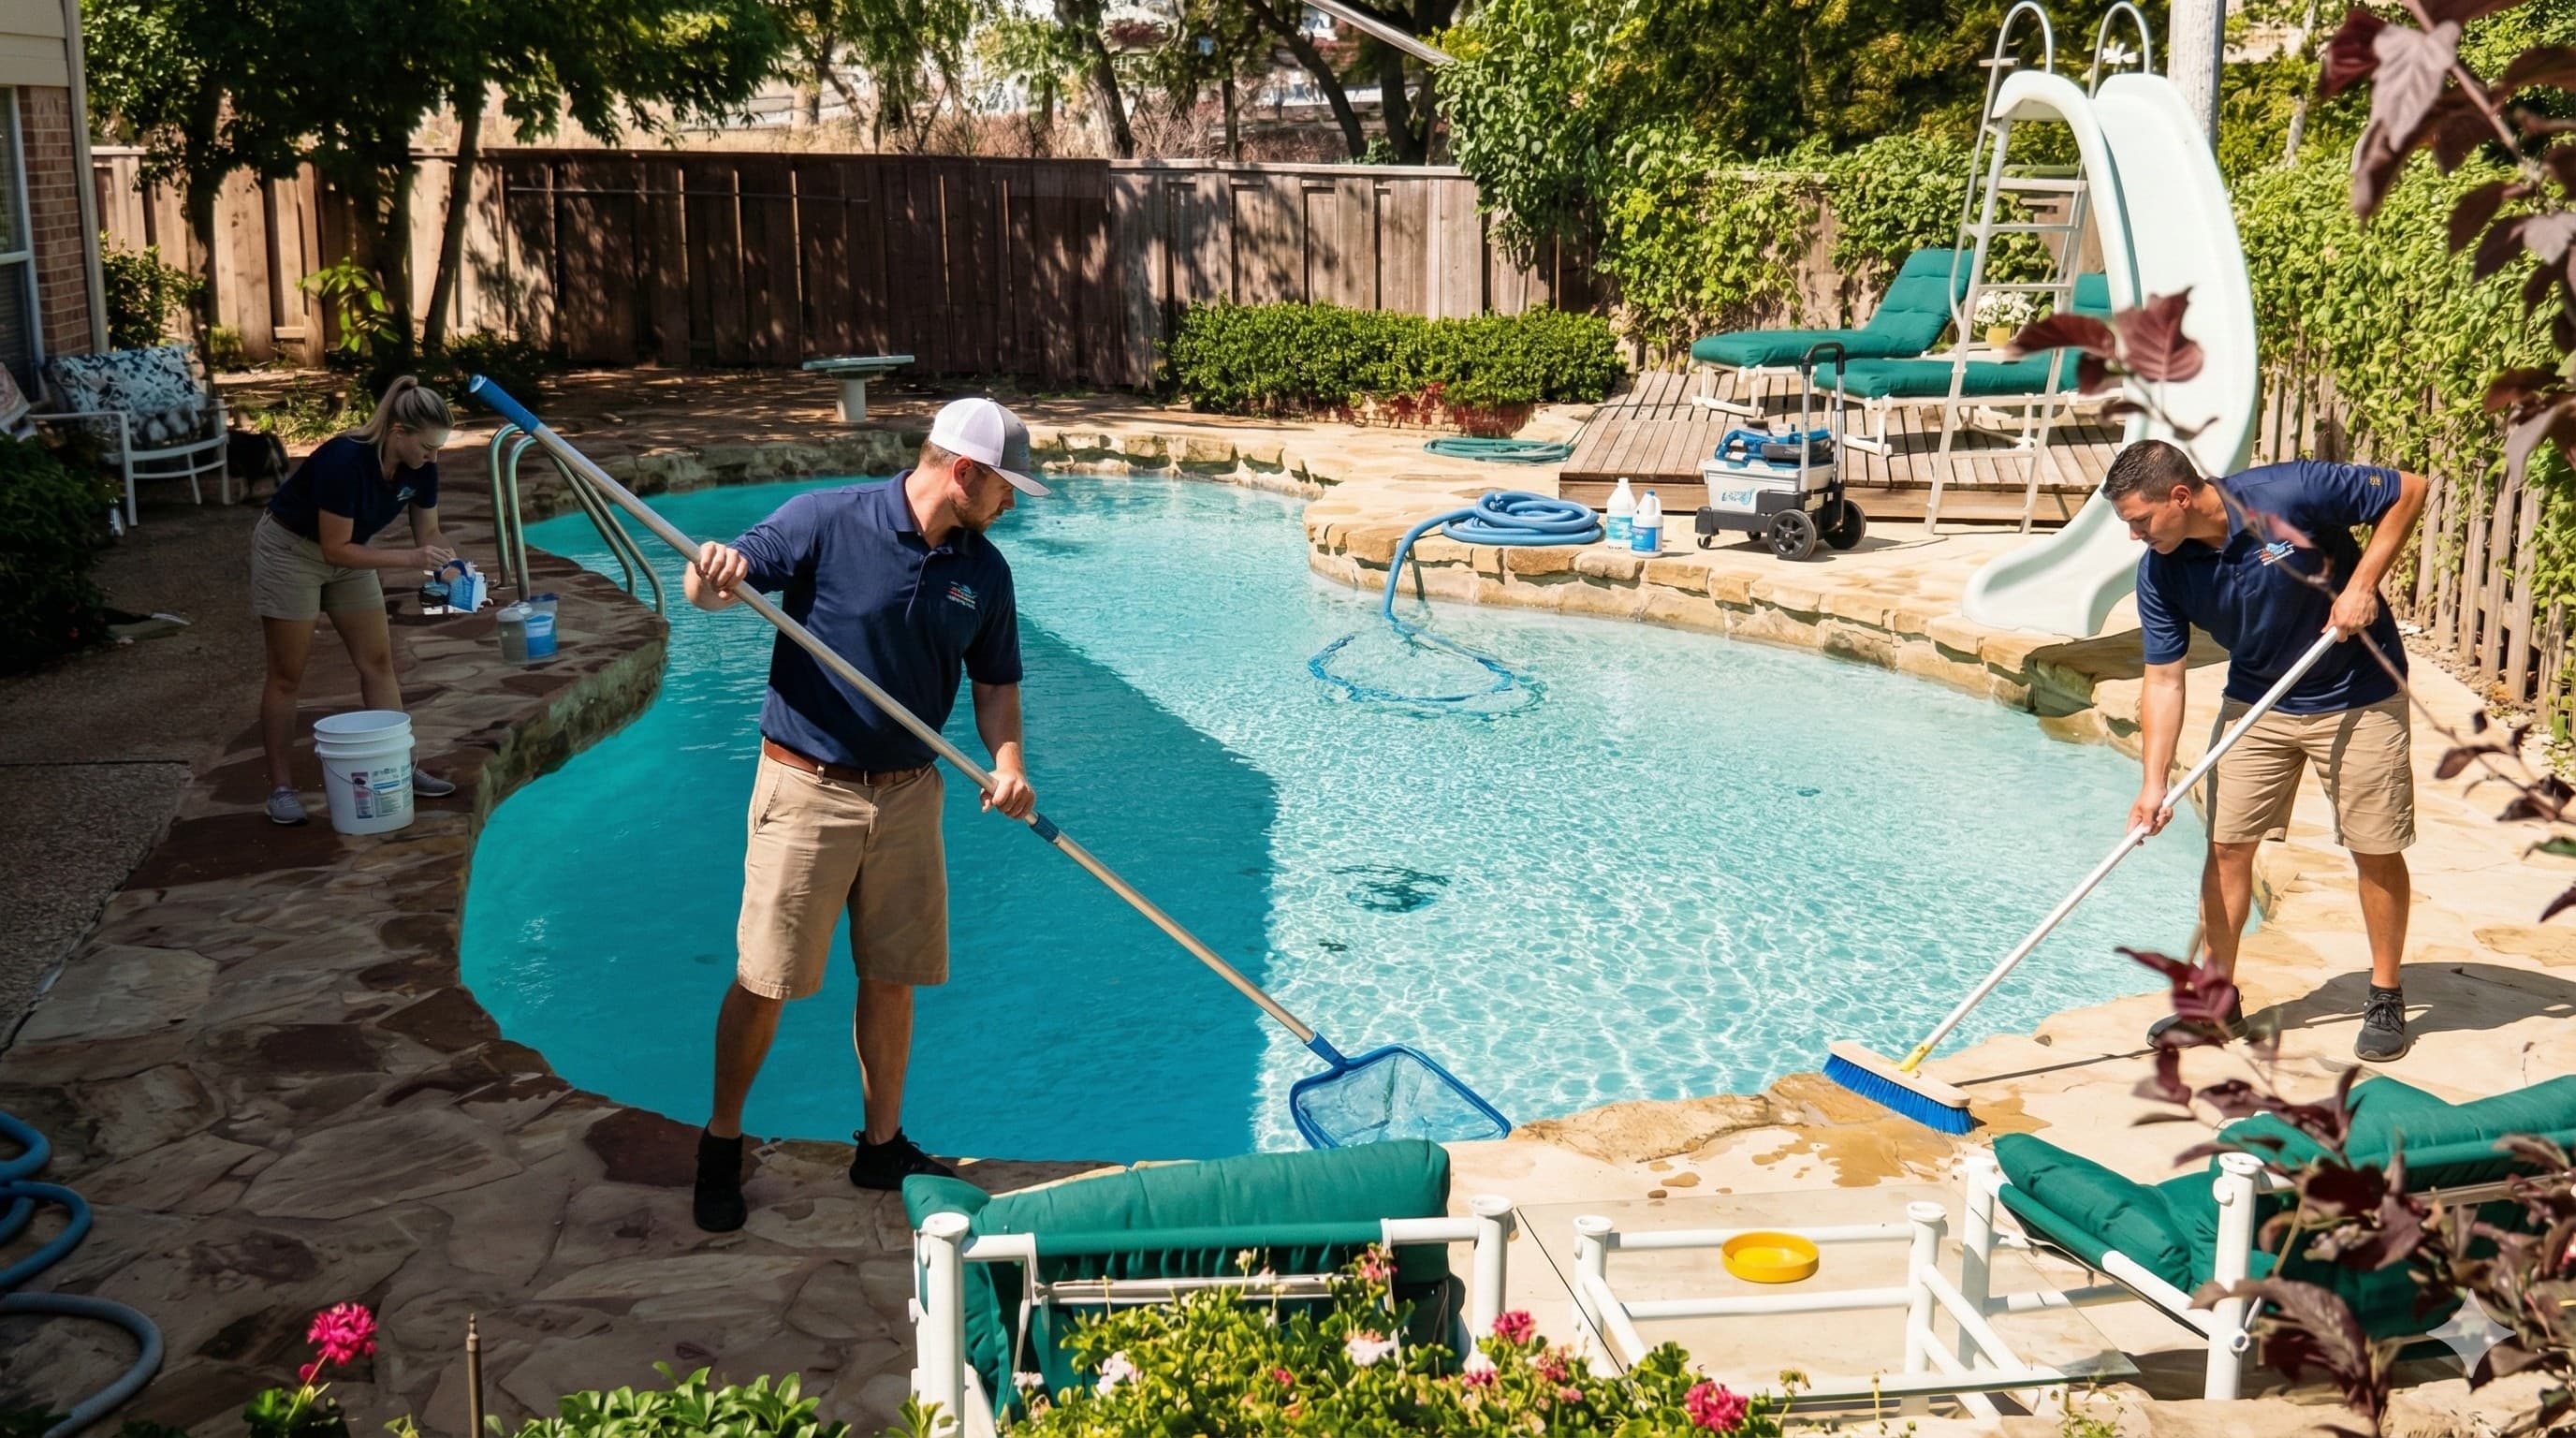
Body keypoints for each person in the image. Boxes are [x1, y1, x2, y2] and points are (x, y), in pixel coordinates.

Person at [684, 396, 1047, 1232]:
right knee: (767, 979)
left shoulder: (983, 571)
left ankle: (880, 1145)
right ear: (965, 473)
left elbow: (995, 683)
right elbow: (714, 587)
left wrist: (1009, 764)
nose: (1011, 503)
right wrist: (710, 573)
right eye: (1005, 487)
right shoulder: (824, 520)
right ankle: (721, 1142)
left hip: (911, 794)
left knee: (893, 976)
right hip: (806, 789)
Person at [2106, 439, 2431, 1062]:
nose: (2134, 536)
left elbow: (2408, 490)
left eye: (2140, 521)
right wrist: (2153, 782)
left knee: (2374, 847)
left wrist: (2362, 585)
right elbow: (2164, 679)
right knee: (2227, 848)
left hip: (2358, 693)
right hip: (2256, 703)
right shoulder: (2162, 571)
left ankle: (2386, 994)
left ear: (2180, 497)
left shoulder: (2287, 494)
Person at [254, 375, 461, 826]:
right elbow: (335, 549)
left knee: (378, 662)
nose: (434, 457)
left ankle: (401, 768)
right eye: (428, 447)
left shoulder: (422, 467)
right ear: (398, 433)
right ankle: (281, 789)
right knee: (288, 673)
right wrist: (411, 560)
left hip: (351, 553)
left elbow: (429, 532)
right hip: (292, 550)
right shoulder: (345, 460)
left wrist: (454, 570)